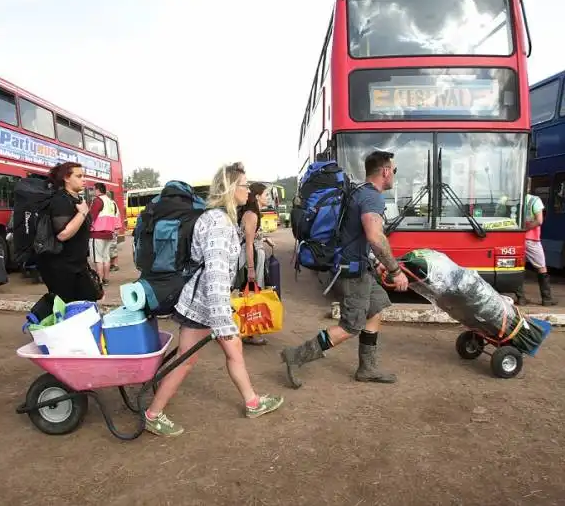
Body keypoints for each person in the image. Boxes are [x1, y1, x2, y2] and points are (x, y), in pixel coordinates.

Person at [144, 162, 284, 437]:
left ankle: (252, 401)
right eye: (245, 186)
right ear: (232, 189)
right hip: (203, 306)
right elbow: (216, 274)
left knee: (228, 353)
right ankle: (153, 413)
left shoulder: (216, 218)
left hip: (205, 304)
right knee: (187, 359)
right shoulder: (219, 223)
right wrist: (223, 320)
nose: (249, 192)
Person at [280, 150, 409, 386]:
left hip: (358, 267)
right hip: (352, 272)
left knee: (376, 307)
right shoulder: (371, 197)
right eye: (394, 170)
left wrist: (376, 262)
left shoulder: (359, 191)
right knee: (350, 326)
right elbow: (375, 236)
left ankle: (367, 368)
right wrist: (394, 270)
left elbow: (353, 234)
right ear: (386, 171)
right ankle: (296, 356)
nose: (394, 175)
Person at [36, 163, 102, 303]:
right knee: (67, 309)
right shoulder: (60, 200)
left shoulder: (76, 199)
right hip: (62, 268)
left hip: (78, 265)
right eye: (78, 176)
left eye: (83, 176)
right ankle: (37, 319)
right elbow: (63, 234)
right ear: (66, 178)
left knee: (88, 302)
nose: (83, 180)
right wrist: (82, 213)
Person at [236, 182, 275, 346]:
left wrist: (265, 239)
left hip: (251, 256)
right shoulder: (252, 215)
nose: (268, 198)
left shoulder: (252, 213)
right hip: (250, 258)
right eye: (266, 195)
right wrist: (251, 269)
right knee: (252, 293)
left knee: (249, 294)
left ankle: (246, 330)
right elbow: (249, 243)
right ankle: (250, 333)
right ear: (258, 197)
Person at [517, 185, 558, 306]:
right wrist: (526, 228)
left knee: (519, 267)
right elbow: (539, 221)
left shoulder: (510, 200)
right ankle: (547, 299)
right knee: (541, 267)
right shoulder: (535, 200)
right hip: (531, 239)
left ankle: (521, 298)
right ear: (529, 187)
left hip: (515, 239)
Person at [88, 182, 118, 286]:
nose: (92, 192)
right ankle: (106, 279)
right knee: (106, 258)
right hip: (109, 234)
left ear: (97, 190)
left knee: (98, 258)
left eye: (93, 189)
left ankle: (99, 281)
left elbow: (91, 217)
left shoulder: (97, 200)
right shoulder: (111, 202)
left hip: (97, 234)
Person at [107, 190, 121, 272]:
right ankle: (113, 264)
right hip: (114, 228)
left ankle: (115, 264)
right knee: (112, 246)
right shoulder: (113, 203)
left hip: (112, 228)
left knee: (112, 246)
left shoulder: (110, 204)